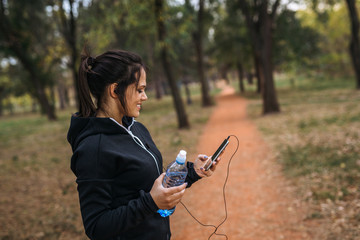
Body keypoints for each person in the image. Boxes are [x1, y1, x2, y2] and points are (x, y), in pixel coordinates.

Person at [67, 48, 220, 240]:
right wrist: (151, 203)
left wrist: (192, 171)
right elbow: (96, 226)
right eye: (139, 90)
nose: (144, 97)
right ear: (114, 90)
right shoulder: (93, 148)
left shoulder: (136, 128)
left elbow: (149, 182)